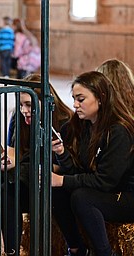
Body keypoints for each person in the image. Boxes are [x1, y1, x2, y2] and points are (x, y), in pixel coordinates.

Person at [0, 74, 74, 255]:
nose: (24, 110)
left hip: (50, 184)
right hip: (24, 175)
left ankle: (11, 251)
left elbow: (68, 167)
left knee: (6, 190)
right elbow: (13, 154)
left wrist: (34, 170)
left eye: (29, 105)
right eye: (20, 104)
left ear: (46, 101)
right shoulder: (18, 118)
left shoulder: (65, 122)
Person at [51, 71, 134, 256]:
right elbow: (81, 171)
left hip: (127, 195)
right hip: (110, 190)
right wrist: (62, 154)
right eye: (74, 99)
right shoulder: (87, 125)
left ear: (101, 98)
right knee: (57, 191)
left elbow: (105, 182)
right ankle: (77, 249)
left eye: (81, 99)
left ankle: (105, 253)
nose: (74, 105)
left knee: (81, 197)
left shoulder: (119, 131)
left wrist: (62, 180)